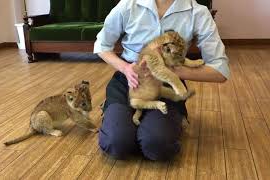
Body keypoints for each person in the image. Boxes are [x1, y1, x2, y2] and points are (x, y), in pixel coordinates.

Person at [94, 0, 230, 161]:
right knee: (116, 142)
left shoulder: (197, 12)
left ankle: (154, 125)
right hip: (129, 79)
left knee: (157, 145)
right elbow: (102, 45)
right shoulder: (129, 4)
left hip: (165, 87)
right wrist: (125, 68)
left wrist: (169, 70)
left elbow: (220, 71)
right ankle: (118, 115)